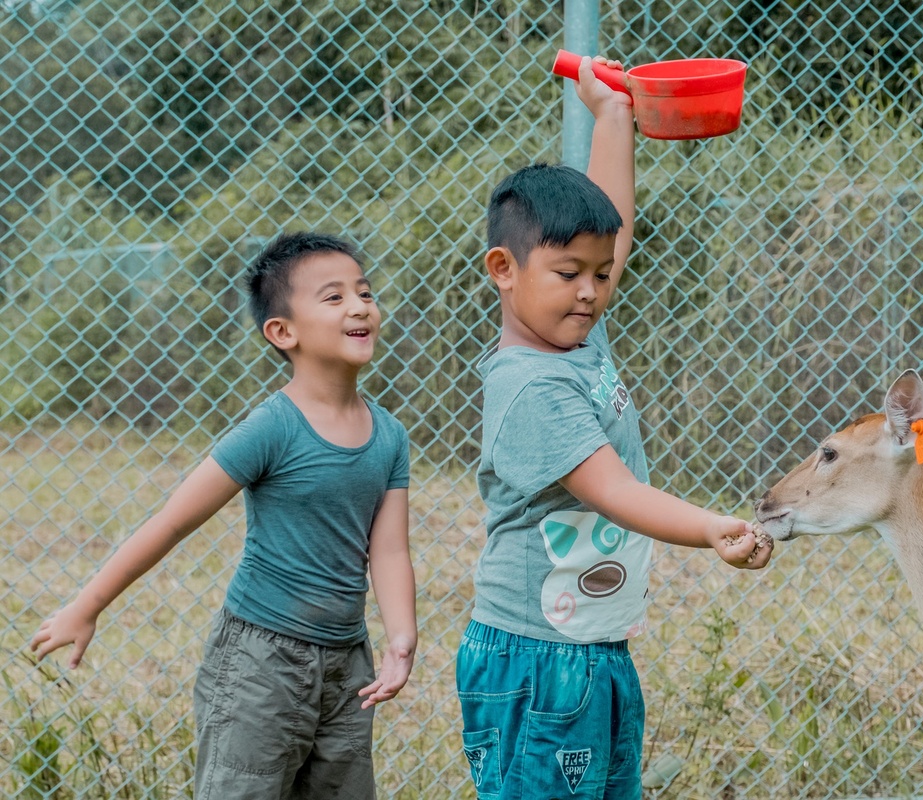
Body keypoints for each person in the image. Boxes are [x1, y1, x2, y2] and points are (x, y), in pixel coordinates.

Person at [456, 57, 773, 800]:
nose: (594, 291)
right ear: (504, 269)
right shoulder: (530, 383)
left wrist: (611, 116)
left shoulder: (574, 335)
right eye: (571, 273)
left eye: (600, 274)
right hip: (537, 660)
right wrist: (710, 527)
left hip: (593, 648)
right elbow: (614, 490)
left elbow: (613, 229)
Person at [31, 232, 416, 800]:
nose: (360, 306)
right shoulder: (271, 429)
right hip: (261, 664)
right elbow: (172, 521)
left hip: (347, 667)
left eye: (365, 292)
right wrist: (86, 607)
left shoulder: (390, 435)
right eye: (333, 298)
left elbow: (387, 551)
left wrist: (401, 638)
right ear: (283, 333)